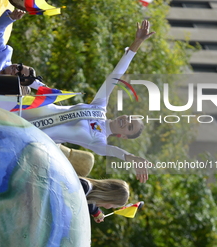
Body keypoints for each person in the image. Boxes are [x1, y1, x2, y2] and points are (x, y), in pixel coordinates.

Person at [21, 20, 155, 183]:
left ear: (123, 136)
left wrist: (130, 157)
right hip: (29, 109)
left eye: (130, 126)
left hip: (28, 136)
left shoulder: (99, 141)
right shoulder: (99, 107)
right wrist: (137, 43)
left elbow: (111, 151)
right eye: (129, 118)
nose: (126, 120)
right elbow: (116, 74)